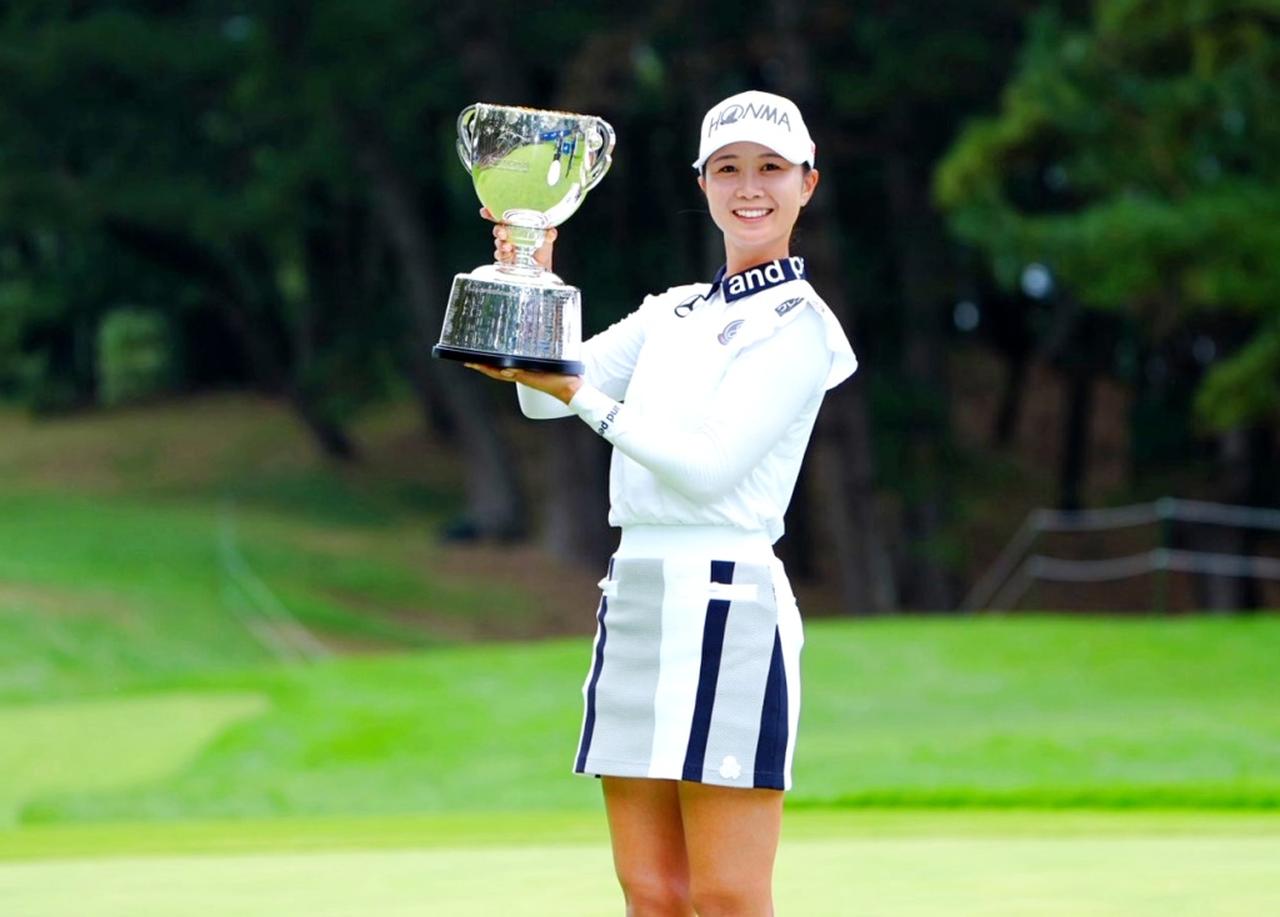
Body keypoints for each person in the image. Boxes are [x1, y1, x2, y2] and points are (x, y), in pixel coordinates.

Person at [467, 89, 856, 916]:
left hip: (728, 601)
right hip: (639, 595)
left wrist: (585, 398)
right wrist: (530, 277)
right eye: (728, 169)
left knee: (724, 896)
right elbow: (541, 397)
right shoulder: (672, 310)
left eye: (770, 169)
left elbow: (710, 469)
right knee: (652, 892)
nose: (749, 187)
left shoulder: (802, 324)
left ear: (807, 185)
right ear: (704, 183)